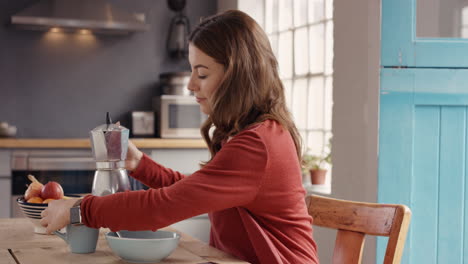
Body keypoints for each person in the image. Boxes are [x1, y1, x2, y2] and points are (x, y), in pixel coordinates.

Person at [40, 10, 320, 264]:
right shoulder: (254, 135)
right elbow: (191, 193)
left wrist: (78, 209)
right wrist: (139, 163)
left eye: (202, 73)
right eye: (192, 71)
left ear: (238, 77)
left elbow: (162, 207)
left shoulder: (257, 145)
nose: (190, 84)